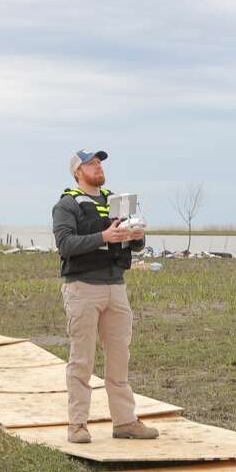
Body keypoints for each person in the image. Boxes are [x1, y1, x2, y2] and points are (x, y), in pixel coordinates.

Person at [52, 149, 158, 444]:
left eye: (100, 163)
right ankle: (77, 426)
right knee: (82, 360)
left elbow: (135, 247)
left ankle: (125, 422)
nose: (98, 167)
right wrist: (103, 237)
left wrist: (137, 237)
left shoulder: (117, 203)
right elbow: (65, 244)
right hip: (82, 289)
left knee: (119, 358)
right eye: (91, 163)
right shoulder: (67, 205)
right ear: (77, 172)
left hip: (117, 287)